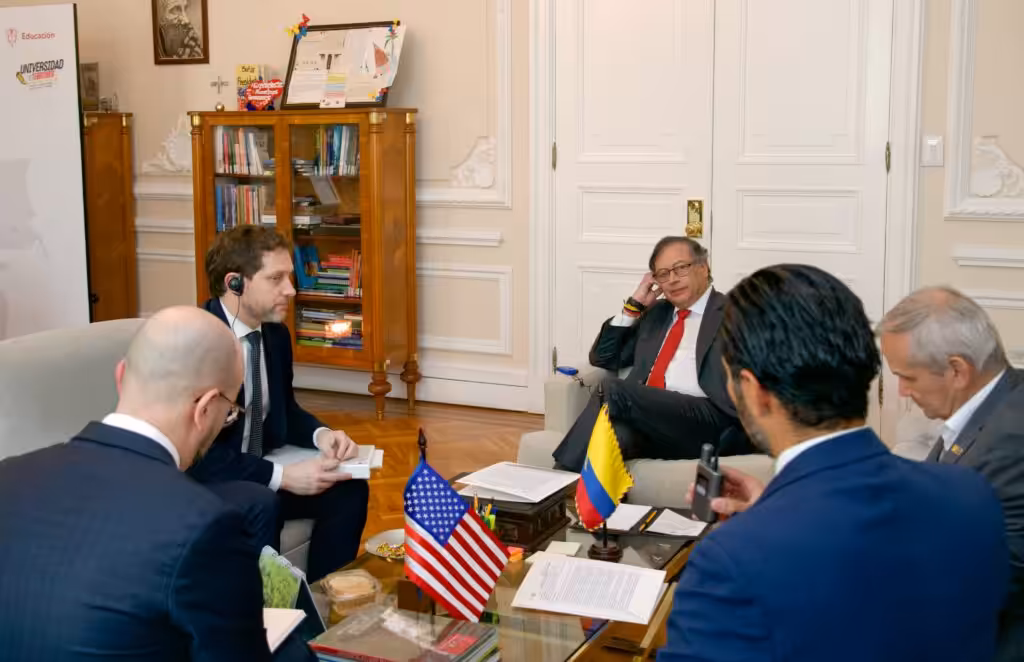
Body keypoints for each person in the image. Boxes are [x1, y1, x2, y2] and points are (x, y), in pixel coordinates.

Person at [658, 265, 1008, 662]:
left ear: (754, 391)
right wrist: (775, 512)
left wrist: (768, 527)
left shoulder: (730, 562)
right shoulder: (971, 496)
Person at [0, 307, 314, 661]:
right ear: (206, 408)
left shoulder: (8, 475)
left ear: (121, 377)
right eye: (229, 412)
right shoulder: (205, 524)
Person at [190, 225, 369, 582]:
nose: (291, 289)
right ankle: (269, 622)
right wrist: (283, 477)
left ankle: (321, 605)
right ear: (235, 283)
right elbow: (197, 454)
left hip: (258, 472)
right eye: (276, 279)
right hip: (209, 480)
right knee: (264, 503)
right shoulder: (197, 340)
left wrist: (322, 435)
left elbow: (283, 408)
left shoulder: (274, 333)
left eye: (289, 277)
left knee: (349, 488)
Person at [878, 286, 1024, 661]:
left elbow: (996, 579)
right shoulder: (999, 400)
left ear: (957, 370)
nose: (902, 392)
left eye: (907, 377)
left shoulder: (1009, 442)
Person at [553, 237, 756, 471]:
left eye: (680, 268)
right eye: (662, 274)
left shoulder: (737, 312)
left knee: (612, 388)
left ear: (703, 267)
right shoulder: (657, 314)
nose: (672, 280)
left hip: (708, 421)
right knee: (615, 437)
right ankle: (574, 504)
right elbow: (603, 357)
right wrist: (634, 307)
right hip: (655, 421)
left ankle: (552, 484)